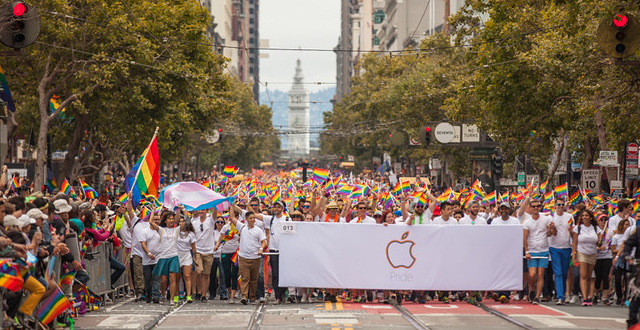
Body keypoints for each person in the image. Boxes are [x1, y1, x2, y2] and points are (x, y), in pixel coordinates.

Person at [228, 206, 267, 305]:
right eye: (251, 218)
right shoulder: (242, 227)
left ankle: (252, 297)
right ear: (246, 220)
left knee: (254, 279)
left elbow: (264, 242)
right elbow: (232, 218)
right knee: (245, 278)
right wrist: (232, 206)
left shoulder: (258, 230)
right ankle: (244, 296)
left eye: (254, 218)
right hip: (243, 257)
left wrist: (261, 249)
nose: (253, 220)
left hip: (255, 258)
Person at [253, 200, 289, 304]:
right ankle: (277, 296)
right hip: (273, 250)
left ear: (282, 209)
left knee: (284, 273)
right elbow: (256, 216)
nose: (277, 209)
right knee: (275, 274)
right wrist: (248, 206)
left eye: (279, 207)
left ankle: (283, 293)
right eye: (275, 207)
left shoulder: (287, 219)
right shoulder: (271, 219)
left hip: (284, 250)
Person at [522, 198, 553, 304]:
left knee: (540, 274)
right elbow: (525, 238)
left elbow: (552, 233)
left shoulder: (546, 219)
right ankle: (532, 289)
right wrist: (527, 251)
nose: (536, 208)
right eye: (533, 206)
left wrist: (551, 228)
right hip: (532, 251)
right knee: (532, 274)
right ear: (530, 208)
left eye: (537, 206)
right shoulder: (527, 222)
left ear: (540, 207)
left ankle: (536, 296)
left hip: (544, 250)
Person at [571, 209, 602, 306]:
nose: (584, 217)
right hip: (581, 253)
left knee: (589, 276)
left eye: (586, 215)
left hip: (592, 253)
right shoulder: (578, 228)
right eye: (583, 216)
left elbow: (598, 243)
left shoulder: (596, 228)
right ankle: (584, 298)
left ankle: (588, 296)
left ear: (591, 217)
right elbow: (575, 243)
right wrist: (574, 255)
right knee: (583, 275)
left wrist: (600, 241)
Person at [547, 199, 573, 305]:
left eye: (562, 205)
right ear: (555, 206)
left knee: (564, 272)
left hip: (566, 247)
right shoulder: (551, 217)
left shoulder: (569, 217)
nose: (561, 206)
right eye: (558, 205)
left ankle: (563, 293)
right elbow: (549, 233)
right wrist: (551, 228)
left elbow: (572, 232)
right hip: (554, 247)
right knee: (557, 272)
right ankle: (560, 296)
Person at [192, 209, 216, 301]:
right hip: (198, 251)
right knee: (198, 272)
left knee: (206, 274)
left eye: (203, 210)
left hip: (209, 251)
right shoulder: (194, 222)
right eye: (200, 210)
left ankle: (203, 294)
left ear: (206, 211)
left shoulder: (210, 220)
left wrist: (212, 201)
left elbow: (214, 212)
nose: (201, 212)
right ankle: (199, 291)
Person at [140, 211, 161, 304]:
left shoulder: (161, 230)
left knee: (156, 278)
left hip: (158, 259)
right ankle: (149, 294)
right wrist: (149, 253)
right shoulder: (144, 231)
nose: (156, 221)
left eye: (158, 219)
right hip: (147, 260)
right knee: (148, 279)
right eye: (154, 219)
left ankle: (156, 296)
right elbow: (143, 244)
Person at [176, 215, 198, 303]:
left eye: (183, 221)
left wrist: (195, 258)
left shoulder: (191, 234)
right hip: (177, 255)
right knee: (177, 276)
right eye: (180, 221)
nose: (181, 223)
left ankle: (189, 295)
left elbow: (193, 248)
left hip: (187, 255)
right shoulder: (176, 231)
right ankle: (177, 294)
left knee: (187, 275)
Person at [594, 214, 613, 306]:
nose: (603, 222)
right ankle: (595, 294)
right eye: (601, 220)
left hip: (607, 256)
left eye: (605, 220)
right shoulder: (596, 230)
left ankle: (605, 297)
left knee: (606, 276)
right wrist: (598, 246)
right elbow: (593, 244)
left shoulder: (609, 231)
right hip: (597, 256)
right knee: (598, 277)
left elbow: (612, 243)